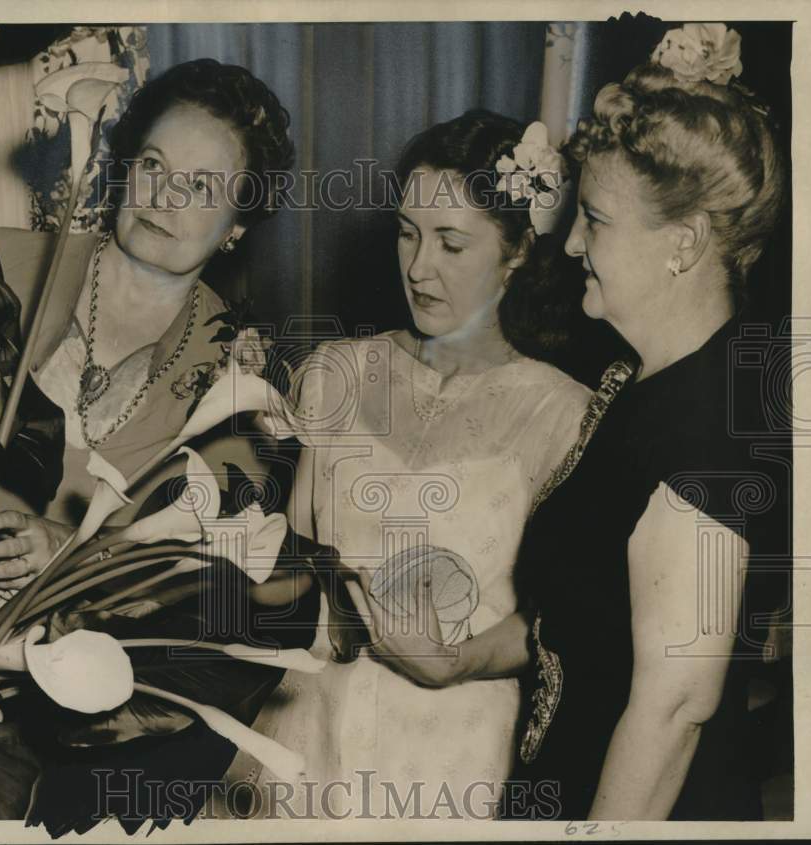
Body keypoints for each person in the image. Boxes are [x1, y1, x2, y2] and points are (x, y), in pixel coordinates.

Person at [371, 24, 787, 821]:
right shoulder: (636, 382)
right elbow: (582, 619)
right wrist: (456, 661)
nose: (568, 244)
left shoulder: (709, 428)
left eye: (593, 220)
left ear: (685, 242)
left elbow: (675, 710)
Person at [217, 108, 592, 819]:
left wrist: (458, 658)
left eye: (452, 243)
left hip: (458, 752)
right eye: (407, 232)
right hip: (310, 731)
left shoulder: (563, 414)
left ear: (516, 253)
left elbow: (563, 618)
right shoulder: (336, 372)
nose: (418, 267)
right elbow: (290, 563)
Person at [0, 59, 296, 597]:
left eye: (202, 188)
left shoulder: (233, 370)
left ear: (237, 225)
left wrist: (74, 552)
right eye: (154, 165)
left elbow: (207, 574)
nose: (165, 198)